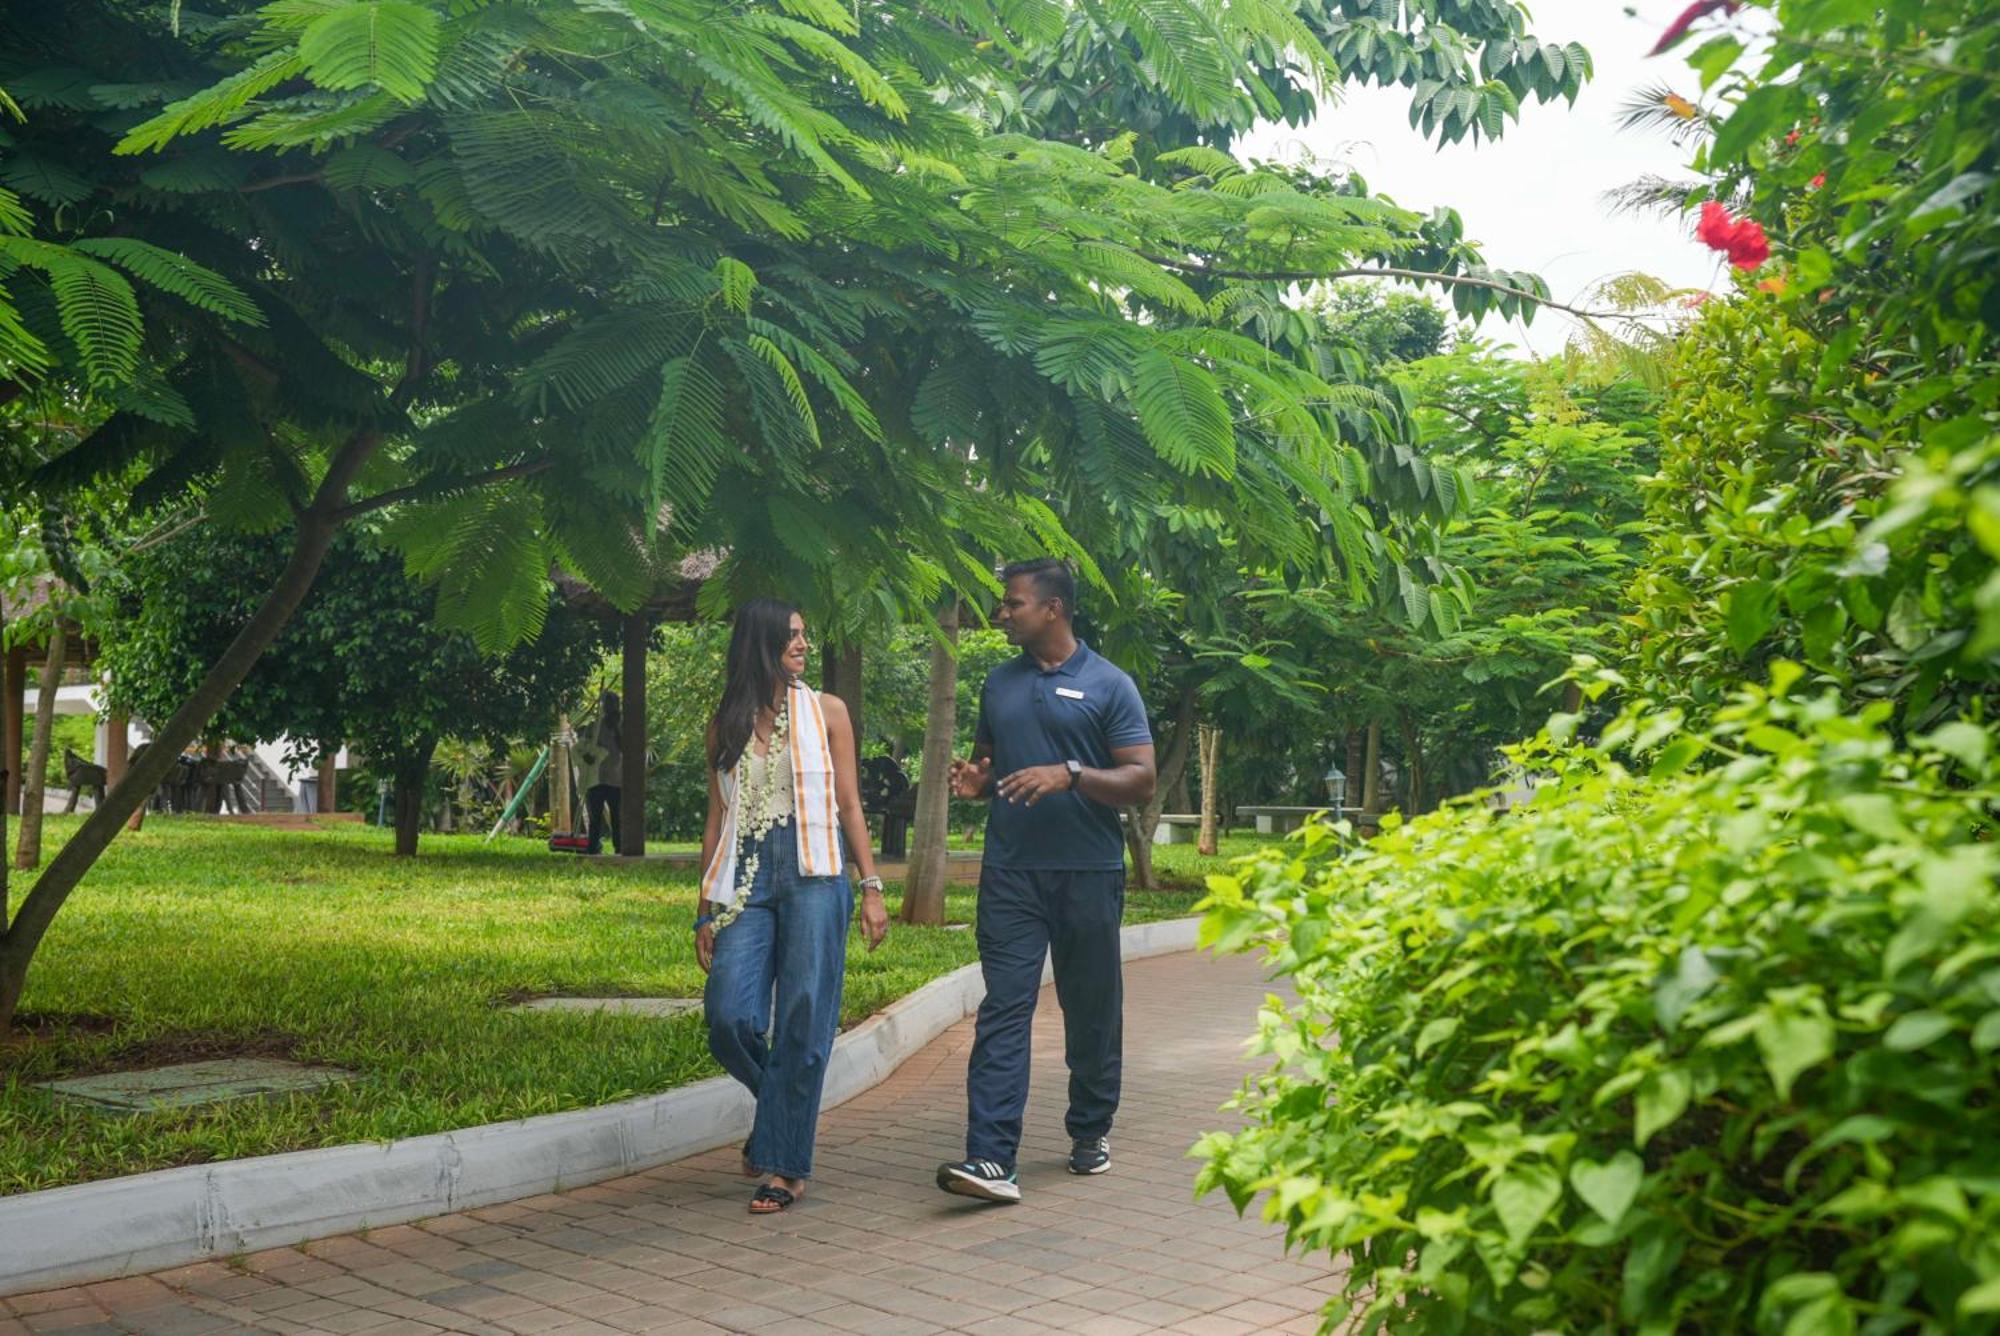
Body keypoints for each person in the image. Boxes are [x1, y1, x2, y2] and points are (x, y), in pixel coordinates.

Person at [935, 559, 1156, 1204]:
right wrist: (977, 783)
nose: (1003, 613)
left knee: (1090, 1006)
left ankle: (1090, 1128)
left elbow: (1139, 779)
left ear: (1053, 610)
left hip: (1088, 872)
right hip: (1010, 874)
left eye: (1014, 604)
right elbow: (989, 765)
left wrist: (1072, 774)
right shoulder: (998, 683)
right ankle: (991, 1158)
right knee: (1004, 1006)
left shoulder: (1111, 684)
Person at [695, 598, 891, 1214]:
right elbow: (717, 818)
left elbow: (851, 806)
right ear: (762, 645)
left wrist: (872, 886)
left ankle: (782, 1167)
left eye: (805, 636)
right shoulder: (724, 722)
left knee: (806, 1015)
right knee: (728, 1017)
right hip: (745, 877)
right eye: (792, 638)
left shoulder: (828, 711)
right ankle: (782, 1118)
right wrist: (704, 906)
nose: (804, 646)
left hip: (815, 870)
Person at [578, 692, 622, 855]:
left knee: (617, 815)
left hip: (616, 777)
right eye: (607, 703)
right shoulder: (594, 726)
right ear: (603, 706)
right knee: (594, 816)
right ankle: (593, 846)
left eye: (614, 703)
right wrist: (587, 756)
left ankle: (620, 846)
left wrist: (616, 728)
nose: (611, 707)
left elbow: (625, 747)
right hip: (595, 776)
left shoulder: (624, 725)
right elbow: (583, 747)